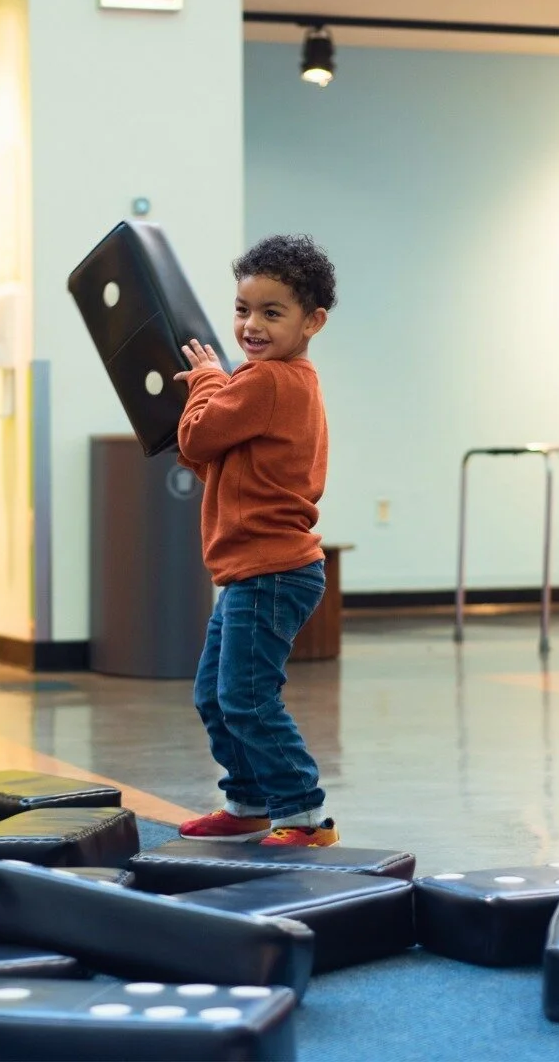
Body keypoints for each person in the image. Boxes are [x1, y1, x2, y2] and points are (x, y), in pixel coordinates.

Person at [172, 233, 338, 848]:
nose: (252, 325)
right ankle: (247, 802)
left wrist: (205, 380)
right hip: (254, 571)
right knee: (216, 698)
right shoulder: (282, 382)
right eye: (244, 309)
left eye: (273, 313)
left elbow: (194, 439)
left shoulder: (265, 382)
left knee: (244, 697)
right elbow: (218, 463)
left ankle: (303, 814)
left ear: (312, 321)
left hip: (271, 571)